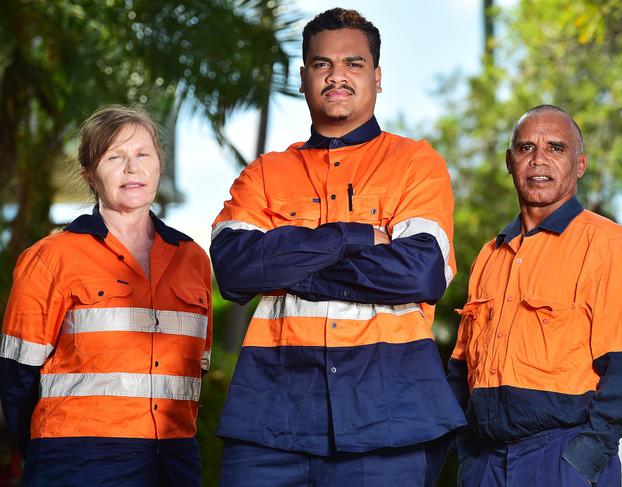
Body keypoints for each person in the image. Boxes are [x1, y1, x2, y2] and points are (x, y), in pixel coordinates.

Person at [210, 8, 466, 486]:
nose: (337, 76)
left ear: (378, 76)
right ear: (303, 77)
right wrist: (353, 237)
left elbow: (420, 272)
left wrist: (288, 268)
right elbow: (236, 270)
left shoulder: (416, 164)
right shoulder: (265, 174)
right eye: (323, 64)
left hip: (389, 419)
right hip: (272, 417)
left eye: (354, 63)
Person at [0, 105, 213, 486]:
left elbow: (196, 371)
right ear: (89, 174)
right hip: (78, 461)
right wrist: (48, 455)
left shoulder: (193, 259)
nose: (132, 168)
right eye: (115, 156)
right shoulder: (50, 258)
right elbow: (16, 378)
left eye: (143, 154)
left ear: (158, 164)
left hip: (175, 460)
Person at [448, 105, 622, 486]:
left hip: (561, 459)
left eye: (556, 148)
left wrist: (582, 459)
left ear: (581, 164)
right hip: (485, 464)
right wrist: (469, 454)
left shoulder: (608, 245)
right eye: (526, 148)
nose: (539, 159)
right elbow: (460, 371)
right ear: (510, 162)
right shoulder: (491, 256)